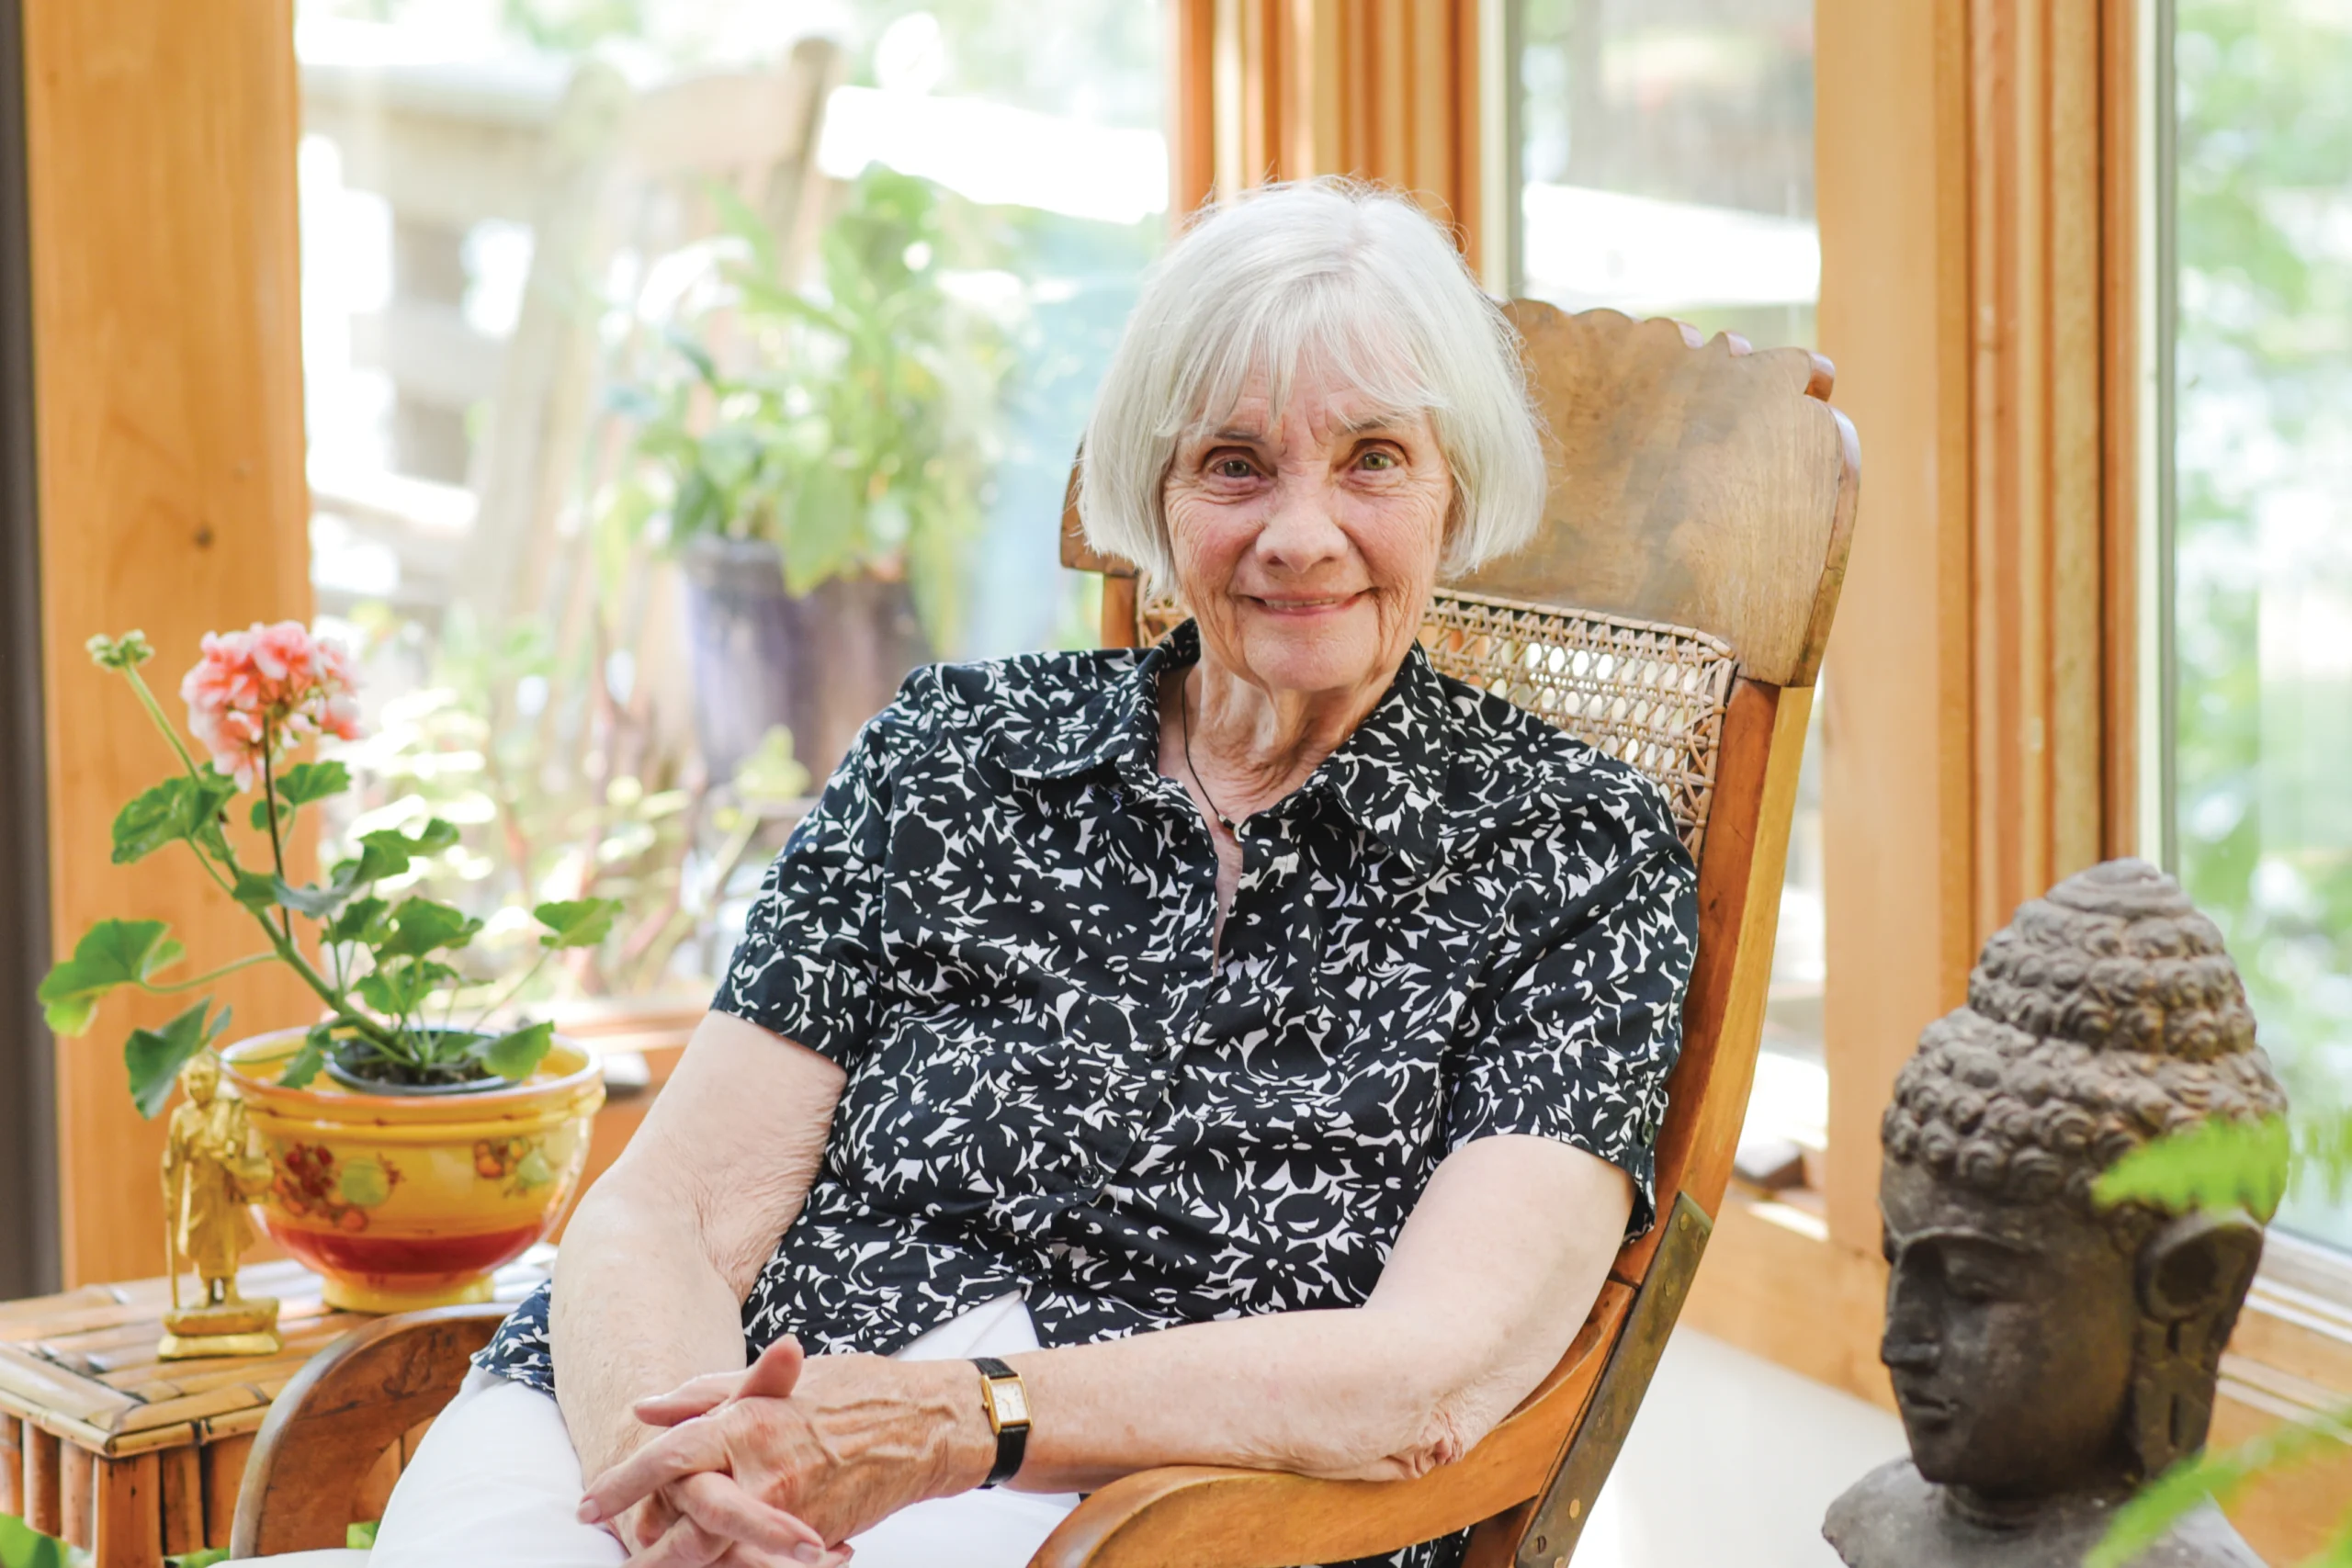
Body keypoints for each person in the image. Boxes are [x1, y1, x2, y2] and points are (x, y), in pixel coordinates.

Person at [353, 178, 1698, 1568]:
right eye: (1234, 463)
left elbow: (1429, 1375)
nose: (1302, 531)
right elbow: (671, 1202)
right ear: (1155, 494)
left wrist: (941, 1421)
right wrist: (688, 1476)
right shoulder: (954, 750)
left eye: (1371, 458)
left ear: (1455, 483)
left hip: (1136, 1503)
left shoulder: (1572, 855)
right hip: (692, 1420)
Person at [1824, 860, 2284, 1568]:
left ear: (2191, 1290)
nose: (1899, 1342)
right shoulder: (1876, 1520)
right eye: (1897, 1261)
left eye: (1974, 1289)